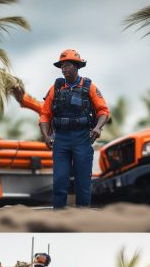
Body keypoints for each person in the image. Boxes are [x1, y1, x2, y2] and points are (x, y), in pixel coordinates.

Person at [39, 49, 110, 208]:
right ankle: (58, 216)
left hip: (82, 138)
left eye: (68, 65)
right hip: (61, 139)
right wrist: (46, 135)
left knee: (83, 181)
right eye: (62, 66)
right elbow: (44, 115)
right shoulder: (55, 88)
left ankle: (82, 217)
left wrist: (98, 128)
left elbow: (103, 111)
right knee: (59, 180)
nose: (64, 69)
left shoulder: (89, 87)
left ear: (77, 67)